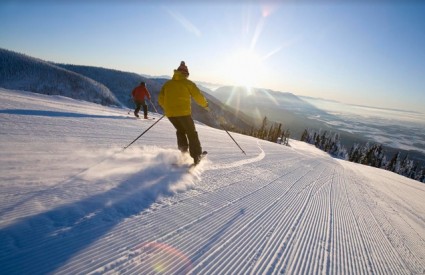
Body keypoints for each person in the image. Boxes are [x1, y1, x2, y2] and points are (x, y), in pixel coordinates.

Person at [158, 61, 209, 165]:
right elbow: (198, 96)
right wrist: (205, 105)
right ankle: (196, 156)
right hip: (184, 113)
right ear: (185, 74)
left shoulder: (167, 84)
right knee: (191, 133)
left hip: (170, 114)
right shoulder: (188, 83)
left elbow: (160, 99)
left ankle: (183, 153)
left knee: (180, 131)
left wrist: (168, 108)